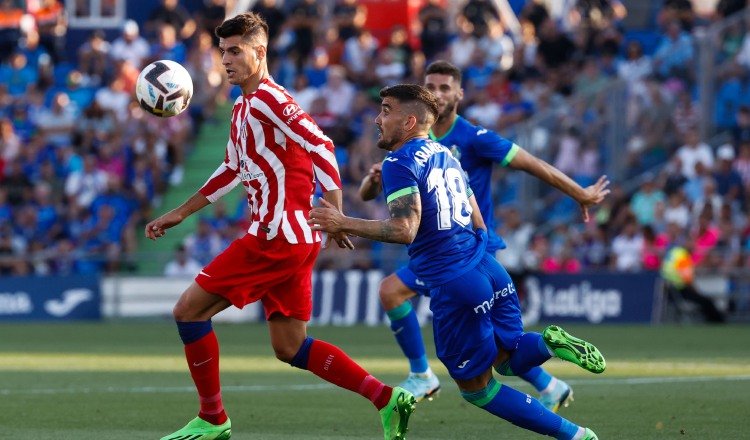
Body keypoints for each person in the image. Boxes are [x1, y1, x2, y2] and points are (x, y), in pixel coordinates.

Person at [145, 13, 415, 440]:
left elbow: (321, 143)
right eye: (223, 52)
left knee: (188, 311)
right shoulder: (243, 106)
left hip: (276, 237)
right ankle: (386, 398)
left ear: (260, 51)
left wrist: (337, 212)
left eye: (235, 51)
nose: (227, 60)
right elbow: (232, 168)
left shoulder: (270, 99)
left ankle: (213, 419)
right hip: (294, 239)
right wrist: (182, 211)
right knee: (290, 347)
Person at [309, 84, 608, 439]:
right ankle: (546, 344)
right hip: (489, 268)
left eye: (386, 110)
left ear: (408, 121)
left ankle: (576, 435)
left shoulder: (398, 162)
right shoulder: (445, 154)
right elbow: (475, 214)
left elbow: (405, 229)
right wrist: (477, 251)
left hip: (454, 282)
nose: (378, 118)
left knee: (478, 389)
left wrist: (343, 222)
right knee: (508, 359)